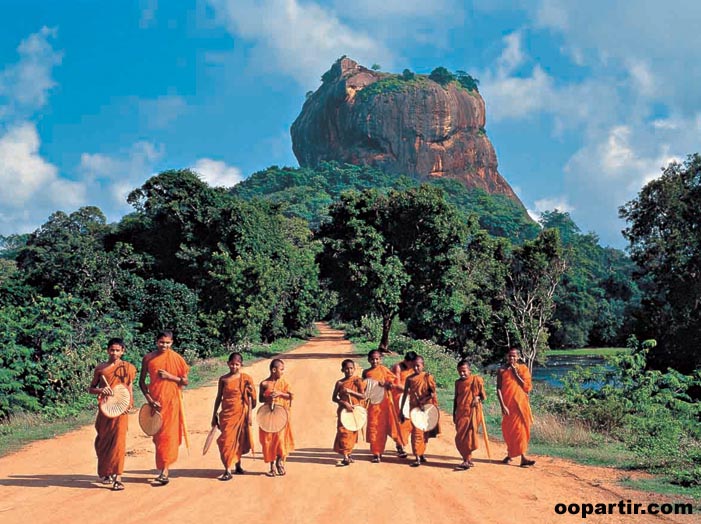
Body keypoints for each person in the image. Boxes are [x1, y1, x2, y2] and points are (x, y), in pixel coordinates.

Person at [139, 330, 190, 485]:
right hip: (155, 403)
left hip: (172, 403)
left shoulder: (177, 359)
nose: (164, 345)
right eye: (162, 342)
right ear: (156, 342)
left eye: (167, 343)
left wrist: (170, 377)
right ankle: (162, 466)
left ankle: (164, 471)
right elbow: (141, 382)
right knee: (158, 437)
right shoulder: (149, 358)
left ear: (172, 343)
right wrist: (149, 399)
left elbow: (185, 382)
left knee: (168, 436)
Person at [88, 337, 137, 491]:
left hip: (121, 410)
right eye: (112, 350)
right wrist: (101, 390)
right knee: (103, 441)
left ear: (123, 351)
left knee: (118, 443)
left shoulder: (128, 367)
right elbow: (91, 388)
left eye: (118, 350)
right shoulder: (101, 369)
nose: (115, 353)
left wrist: (129, 403)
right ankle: (106, 471)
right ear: (107, 350)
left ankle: (118, 477)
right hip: (105, 410)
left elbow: (129, 386)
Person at [210, 352, 257, 481]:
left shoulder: (246, 378)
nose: (234, 367)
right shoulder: (223, 379)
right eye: (232, 364)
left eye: (237, 364)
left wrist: (250, 415)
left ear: (241, 365)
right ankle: (227, 469)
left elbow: (253, 399)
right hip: (226, 414)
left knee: (239, 439)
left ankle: (236, 466)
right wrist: (214, 414)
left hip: (241, 413)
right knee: (226, 441)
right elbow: (219, 397)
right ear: (228, 364)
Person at [497, 348, 535, 467]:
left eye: (514, 356)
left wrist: (516, 373)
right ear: (507, 357)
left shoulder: (523, 369)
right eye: (509, 356)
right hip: (508, 405)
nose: (511, 358)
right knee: (509, 431)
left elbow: (526, 387)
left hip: (520, 405)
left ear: (518, 357)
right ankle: (510, 454)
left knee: (521, 431)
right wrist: (502, 405)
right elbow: (498, 389)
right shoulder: (502, 370)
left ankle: (523, 457)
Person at [400, 355, 440, 467]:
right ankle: (417, 456)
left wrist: (424, 400)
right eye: (414, 366)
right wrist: (401, 410)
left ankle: (421, 453)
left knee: (424, 432)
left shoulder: (428, 377)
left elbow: (432, 393)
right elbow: (405, 395)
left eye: (418, 366)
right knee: (416, 433)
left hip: (426, 408)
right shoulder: (409, 379)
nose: (416, 368)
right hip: (415, 409)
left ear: (423, 365)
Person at [362, 350, 401, 463]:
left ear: (380, 359)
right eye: (372, 359)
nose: (375, 361)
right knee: (375, 428)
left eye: (377, 359)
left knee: (392, 426)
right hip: (374, 405)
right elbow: (364, 387)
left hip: (386, 403)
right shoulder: (366, 372)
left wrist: (386, 384)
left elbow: (392, 383)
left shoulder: (383, 370)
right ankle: (376, 453)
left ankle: (399, 446)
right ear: (369, 360)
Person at [259, 358, 294, 477]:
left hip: (281, 415)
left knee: (280, 440)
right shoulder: (264, 384)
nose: (283, 372)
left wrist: (280, 394)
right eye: (281, 369)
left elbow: (291, 396)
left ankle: (280, 461)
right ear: (274, 370)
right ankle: (272, 466)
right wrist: (267, 398)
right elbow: (260, 399)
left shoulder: (285, 383)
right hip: (268, 416)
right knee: (268, 441)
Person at [452, 359, 486, 470]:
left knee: (470, 437)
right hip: (461, 413)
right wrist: (454, 413)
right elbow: (456, 398)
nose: (462, 374)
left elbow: (483, 396)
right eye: (460, 372)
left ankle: (466, 460)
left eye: (464, 371)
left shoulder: (476, 380)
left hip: (472, 414)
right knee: (460, 438)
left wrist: (477, 397)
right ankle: (468, 459)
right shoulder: (458, 383)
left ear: (469, 370)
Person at [332, 359, 365, 466]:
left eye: (351, 368)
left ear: (354, 369)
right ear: (342, 370)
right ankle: (345, 456)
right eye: (346, 368)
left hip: (355, 410)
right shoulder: (340, 383)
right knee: (343, 432)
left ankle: (348, 453)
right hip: (343, 411)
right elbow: (334, 398)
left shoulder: (358, 381)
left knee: (352, 433)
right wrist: (344, 403)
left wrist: (350, 391)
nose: (349, 370)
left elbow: (363, 396)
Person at [390, 350, 417, 458]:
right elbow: (396, 384)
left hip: (411, 398)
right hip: (399, 397)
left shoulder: (414, 367)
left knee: (411, 422)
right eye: (409, 362)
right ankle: (400, 445)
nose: (410, 365)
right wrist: (409, 391)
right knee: (402, 420)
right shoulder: (398, 367)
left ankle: (404, 443)